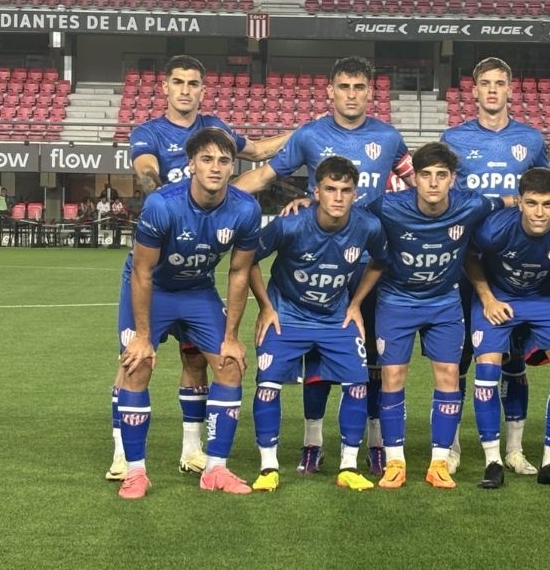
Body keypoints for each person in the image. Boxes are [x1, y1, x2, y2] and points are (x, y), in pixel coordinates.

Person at [105, 54, 290, 483]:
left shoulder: (219, 133)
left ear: (203, 90)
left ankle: (195, 452)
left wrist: (308, 130)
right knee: (134, 360)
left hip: (197, 283)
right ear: (166, 87)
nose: (186, 90)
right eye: (178, 82)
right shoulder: (149, 134)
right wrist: (168, 201)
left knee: (203, 360)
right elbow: (146, 171)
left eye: (193, 83)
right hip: (155, 273)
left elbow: (258, 151)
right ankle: (124, 455)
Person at [233, 55, 415, 478]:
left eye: (359, 87)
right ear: (330, 91)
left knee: (370, 362)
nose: (351, 95)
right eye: (344, 87)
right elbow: (264, 175)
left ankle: (375, 443)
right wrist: (218, 201)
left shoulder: (389, 138)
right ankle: (312, 444)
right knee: (316, 362)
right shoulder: (310, 134)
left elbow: (419, 184)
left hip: (369, 263)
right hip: (319, 255)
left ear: (370, 92)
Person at [345, 142, 509, 490]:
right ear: (414, 178)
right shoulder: (388, 206)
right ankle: (395, 462)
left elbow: (510, 202)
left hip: (444, 303)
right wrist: (306, 205)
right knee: (392, 376)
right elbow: (346, 212)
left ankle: (439, 463)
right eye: (425, 175)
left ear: (452, 179)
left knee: (449, 375)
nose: (433, 183)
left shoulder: (471, 204)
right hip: (396, 301)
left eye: (441, 175)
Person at [114, 127, 261, 499]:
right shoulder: (162, 205)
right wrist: (143, 337)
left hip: (197, 290)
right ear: (191, 164)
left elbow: (239, 272)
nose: (215, 167)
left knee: (230, 363)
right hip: (155, 289)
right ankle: (135, 471)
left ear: (233, 167)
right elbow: (142, 271)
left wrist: (232, 337)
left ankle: (215, 469)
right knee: (137, 364)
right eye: (206, 159)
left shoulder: (246, 209)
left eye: (224, 160)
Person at [439, 56, 550, 477]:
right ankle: (450, 447)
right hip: (465, 263)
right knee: (459, 360)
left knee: (513, 361)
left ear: (510, 89)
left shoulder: (531, 140)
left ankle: (515, 450)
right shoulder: (453, 138)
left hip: (516, 266)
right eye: (485, 83)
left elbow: (547, 192)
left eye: (499, 83)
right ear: (474, 90)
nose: (492, 90)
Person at [248, 156, 388, 493]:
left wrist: (355, 303)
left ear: (356, 193)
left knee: (357, 384)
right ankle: (268, 467)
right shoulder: (290, 224)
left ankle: (348, 466)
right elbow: (248, 260)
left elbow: (379, 262)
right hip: (287, 316)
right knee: (268, 387)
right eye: (330, 189)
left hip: (335, 318)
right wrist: (266, 307)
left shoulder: (368, 227)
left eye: (345, 190)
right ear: (316, 192)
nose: (338, 197)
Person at [466, 168, 550, 490]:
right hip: (497, 295)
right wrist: (487, 299)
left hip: (542, 296)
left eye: (547, 204)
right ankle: (493, 462)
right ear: (520, 202)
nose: (539, 212)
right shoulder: (496, 227)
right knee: (487, 368)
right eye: (532, 203)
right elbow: (469, 258)